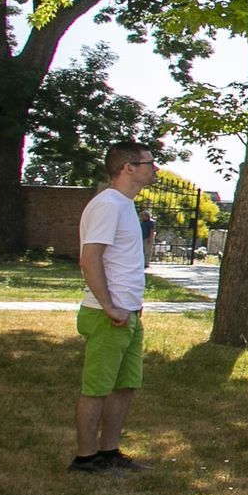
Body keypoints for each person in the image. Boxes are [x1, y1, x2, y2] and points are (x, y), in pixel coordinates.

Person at [72, 140, 157, 473]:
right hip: (107, 315)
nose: (155, 169)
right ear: (129, 168)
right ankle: (85, 457)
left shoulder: (125, 205)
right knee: (96, 388)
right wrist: (108, 306)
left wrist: (133, 305)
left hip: (128, 313)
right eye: (150, 163)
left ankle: (108, 451)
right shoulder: (108, 204)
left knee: (124, 386)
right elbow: (89, 258)